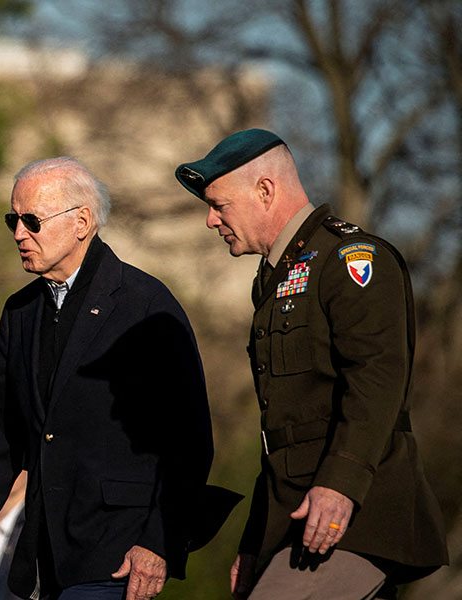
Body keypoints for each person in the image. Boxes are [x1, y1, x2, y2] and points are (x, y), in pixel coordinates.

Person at [175, 129, 449, 599]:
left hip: (354, 516)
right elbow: (284, 429)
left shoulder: (351, 260)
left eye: (219, 205)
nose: (210, 220)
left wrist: (339, 487)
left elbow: (376, 382)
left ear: (265, 189)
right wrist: (255, 543)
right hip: (296, 519)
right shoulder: (275, 281)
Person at [0, 157, 228, 600]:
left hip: (117, 554)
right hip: (41, 556)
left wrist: (157, 540)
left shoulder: (145, 305)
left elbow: (188, 441)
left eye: (32, 220)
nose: (19, 233)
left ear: (82, 222)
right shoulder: (20, 312)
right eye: (12, 219)